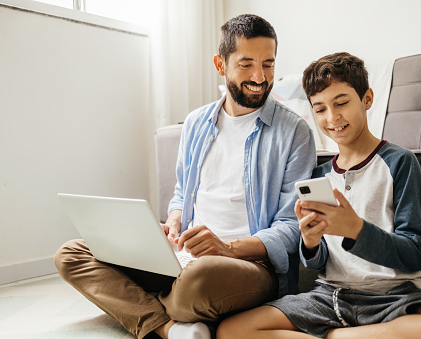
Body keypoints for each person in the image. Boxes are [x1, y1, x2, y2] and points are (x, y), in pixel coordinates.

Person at [54, 14, 316, 339]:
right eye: (246, 64)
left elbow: (293, 227)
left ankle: (146, 306)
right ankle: (170, 328)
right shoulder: (196, 123)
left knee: (198, 281)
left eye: (268, 64)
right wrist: (174, 222)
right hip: (184, 256)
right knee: (71, 253)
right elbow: (181, 194)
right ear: (221, 64)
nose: (260, 77)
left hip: (246, 266)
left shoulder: (295, 132)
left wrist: (229, 248)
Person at [216, 52, 421, 339]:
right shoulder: (318, 174)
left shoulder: (400, 162)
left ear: (367, 99)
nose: (332, 117)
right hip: (330, 298)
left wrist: (357, 230)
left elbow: (416, 254)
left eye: (341, 103)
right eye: (320, 109)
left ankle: (336, 336)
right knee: (231, 330)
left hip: (393, 298)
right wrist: (311, 244)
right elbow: (317, 262)